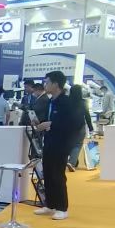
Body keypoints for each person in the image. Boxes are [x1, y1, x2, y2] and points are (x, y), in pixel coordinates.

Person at [36, 72, 85, 219]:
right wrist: (40, 123)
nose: (45, 85)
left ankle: (62, 207)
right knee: (48, 173)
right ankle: (50, 204)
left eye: (47, 82)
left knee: (57, 175)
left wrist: (51, 124)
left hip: (61, 144)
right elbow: (49, 119)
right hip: (49, 141)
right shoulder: (51, 101)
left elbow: (74, 123)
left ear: (56, 84)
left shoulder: (67, 103)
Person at [68, 84, 94, 168]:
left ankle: (73, 160)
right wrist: (91, 128)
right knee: (78, 144)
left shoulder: (67, 101)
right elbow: (87, 115)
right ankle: (72, 162)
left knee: (69, 144)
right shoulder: (83, 102)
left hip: (68, 126)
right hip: (80, 126)